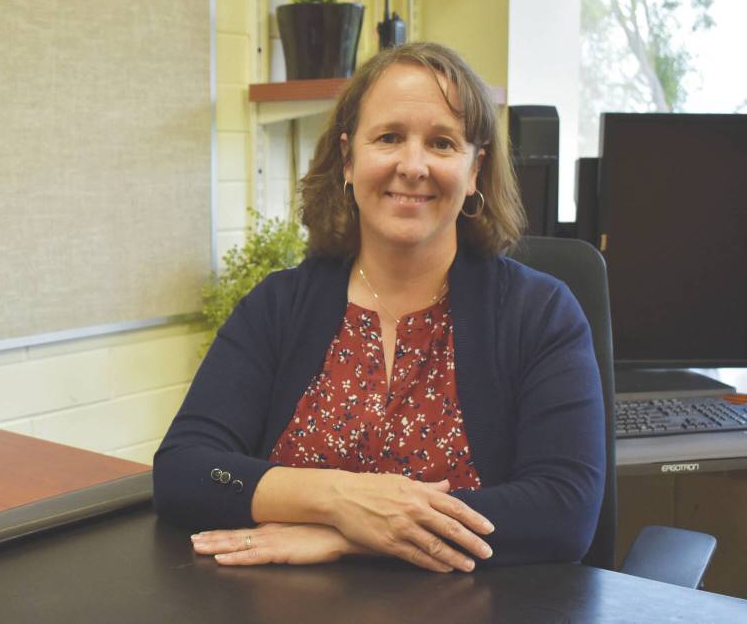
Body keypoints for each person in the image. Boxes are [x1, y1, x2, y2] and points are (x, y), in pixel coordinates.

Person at [153, 42, 605, 573]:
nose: (412, 166)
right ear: (348, 159)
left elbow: (563, 513)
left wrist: (352, 537)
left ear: (475, 170)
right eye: (389, 137)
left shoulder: (540, 313)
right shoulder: (278, 307)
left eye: (441, 143)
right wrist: (341, 500)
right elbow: (184, 470)